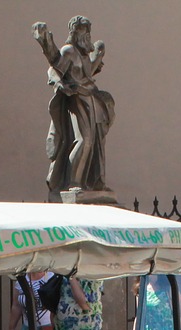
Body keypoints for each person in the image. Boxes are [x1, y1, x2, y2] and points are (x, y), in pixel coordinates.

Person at [32, 17, 115, 201]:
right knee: (83, 140)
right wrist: (46, 41)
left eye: (87, 32)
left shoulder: (85, 55)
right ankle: (72, 182)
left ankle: (94, 182)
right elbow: (56, 63)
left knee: (95, 143)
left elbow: (90, 71)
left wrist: (99, 54)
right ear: (74, 33)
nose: (86, 35)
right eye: (82, 31)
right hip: (76, 99)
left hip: (91, 99)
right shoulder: (69, 51)